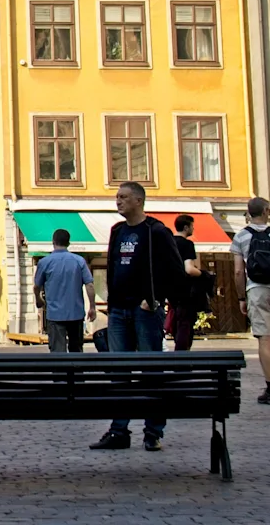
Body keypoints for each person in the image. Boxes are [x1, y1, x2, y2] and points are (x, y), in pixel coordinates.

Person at [90, 182, 186, 453]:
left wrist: (155, 298)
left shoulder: (155, 231)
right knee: (119, 372)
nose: (118, 202)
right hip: (119, 310)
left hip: (145, 311)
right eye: (117, 197)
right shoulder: (117, 231)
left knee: (150, 371)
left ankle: (153, 432)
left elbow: (176, 272)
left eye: (124, 197)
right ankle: (119, 430)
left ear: (139, 201)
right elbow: (112, 266)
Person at [231, 196, 270, 405]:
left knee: (265, 339)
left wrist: (241, 297)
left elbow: (238, 271)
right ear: (265, 211)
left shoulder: (241, 236)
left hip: (257, 289)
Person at [33, 229, 97, 353]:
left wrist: (39, 299)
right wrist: (92, 307)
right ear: (68, 243)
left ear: (53, 242)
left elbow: (36, 286)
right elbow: (89, 285)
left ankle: (59, 372)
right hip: (76, 314)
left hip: (55, 315)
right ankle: (76, 372)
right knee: (76, 350)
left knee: (57, 352)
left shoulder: (45, 262)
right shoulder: (79, 261)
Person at [167, 214, 203, 352]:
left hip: (170, 290)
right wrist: (203, 274)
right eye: (192, 226)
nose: (193, 229)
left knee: (176, 322)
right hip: (185, 291)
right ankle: (182, 356)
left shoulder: (168, 242)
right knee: (185, 324)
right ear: (186, 227)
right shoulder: (187, 244)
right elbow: (189, 269)